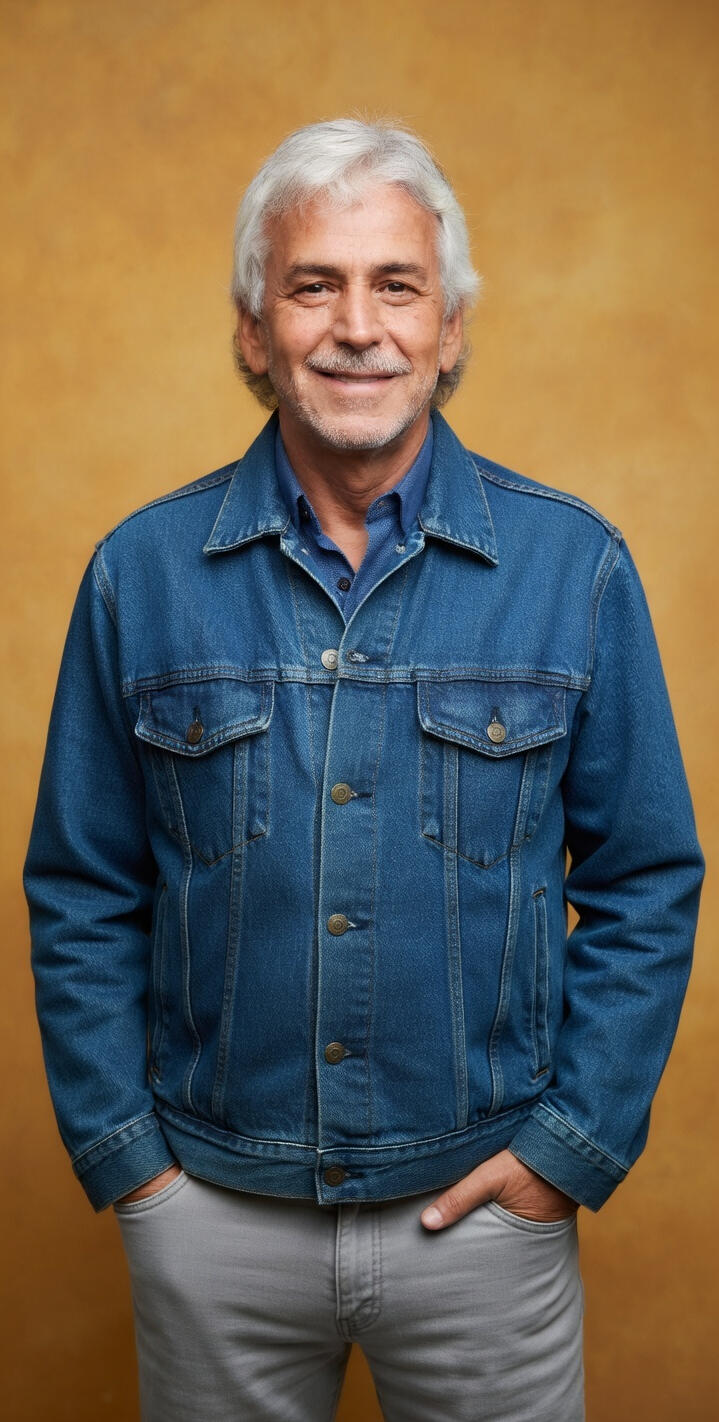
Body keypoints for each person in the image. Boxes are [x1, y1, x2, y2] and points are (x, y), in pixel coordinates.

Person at [24, 118, 704, 1422]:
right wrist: (136, 1172)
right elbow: (82, 888)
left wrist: (564, 1154)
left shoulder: (576, 570)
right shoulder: (138, 575)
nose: (357, 327)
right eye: (313, 285)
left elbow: (646, 880)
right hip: (213, 1222)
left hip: (486, 1225)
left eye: (396, 285)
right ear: (253, 330)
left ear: (450, 329)